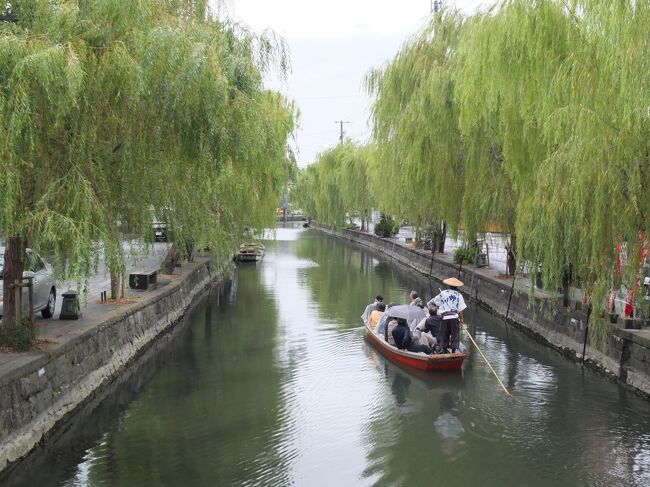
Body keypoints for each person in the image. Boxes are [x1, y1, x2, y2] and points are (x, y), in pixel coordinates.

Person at [427, 277, 466, 353]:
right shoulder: (459, 295)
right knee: (455, 335)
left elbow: (436, 301)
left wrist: (442, 303)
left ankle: (444, 350)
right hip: (454, 318)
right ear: (456, 287)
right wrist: (461, 319)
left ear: (449, 286)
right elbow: (461, 309)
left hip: (444, 318)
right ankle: (454, 351)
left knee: (445, 334)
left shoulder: (443, 293)